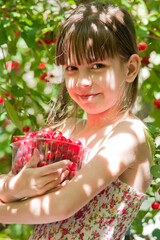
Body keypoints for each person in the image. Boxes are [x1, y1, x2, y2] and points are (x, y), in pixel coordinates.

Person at [0, 1, 153, 239]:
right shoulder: (66, 130)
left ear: (131, 68)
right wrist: (17, 187)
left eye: (97, 65)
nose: (82, 81)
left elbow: (62, 206)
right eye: (72, 67)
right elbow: (9, 182)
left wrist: (3, 211)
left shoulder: (127, 136)